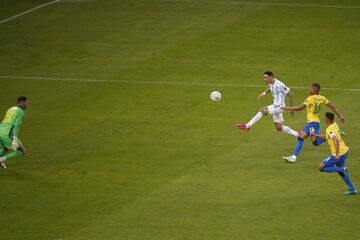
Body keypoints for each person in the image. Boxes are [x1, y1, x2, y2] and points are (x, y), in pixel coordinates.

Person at [282, 83, 345, 163]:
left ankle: (335, 135)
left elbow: (300, 108)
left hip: (312, 123)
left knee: (313, 142)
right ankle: (293, 157)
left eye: (310, 88)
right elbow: (332, 106)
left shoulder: (310, 98)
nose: (309, 89)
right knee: (303, 138)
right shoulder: (322, 98)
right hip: (314, 123)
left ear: (313, 89)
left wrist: (287, 108)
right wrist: (340, 116)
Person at [236, 71, 298, 137]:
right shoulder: (271, 83)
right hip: (276, 106)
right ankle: (297, 134)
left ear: (271, 77)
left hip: (279, 106)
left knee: (262, 110)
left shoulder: (280, 84)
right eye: (264, 78)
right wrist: (263, 93)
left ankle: (247, 126)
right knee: (279, 128)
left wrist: (291, 109)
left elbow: (290, 94)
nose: (264, 79)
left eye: (266, 77)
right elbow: (270, 88)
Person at [311, 112, 356, 195]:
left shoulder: (330, 129)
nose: (324, 119)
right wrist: (316, 135)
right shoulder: (335, 124)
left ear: (327, 119)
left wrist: (337, 154)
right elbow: (326, 137)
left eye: (325, 118)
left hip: (338, 153)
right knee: (341, 172)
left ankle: (342, 169)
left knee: (321, 167)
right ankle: (352, 189)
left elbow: (335, 140)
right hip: (344, 151)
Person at [0, 96, 28, 169]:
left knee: (6, 148)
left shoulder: (11, 109)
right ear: (21, 102)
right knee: (22, 151)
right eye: (26, 102)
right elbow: (16, 125)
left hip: (1, 130)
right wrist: (14, 139)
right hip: (8, 133)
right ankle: (1, 160)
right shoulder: (20, 112)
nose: (27, 104)